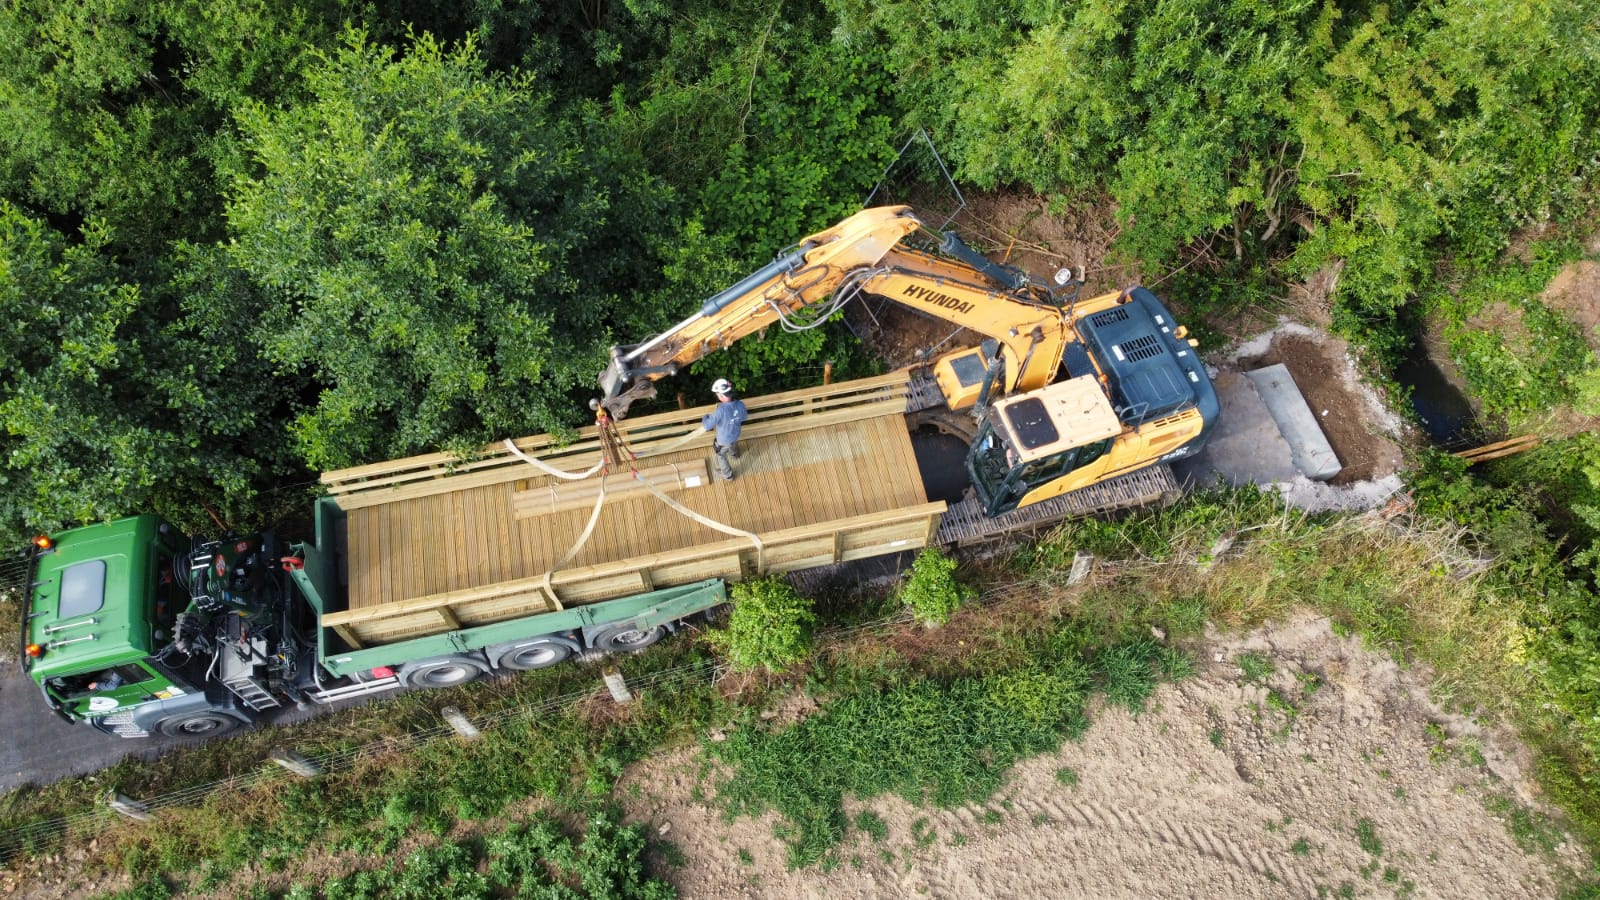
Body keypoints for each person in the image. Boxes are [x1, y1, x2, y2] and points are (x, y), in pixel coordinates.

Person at [701, 378, 748, 481]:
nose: (717, 396)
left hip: (723, 440)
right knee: (732, 444)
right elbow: (744, 417)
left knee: (720, 454)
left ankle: (728, 475)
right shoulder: (740, 404)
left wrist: (705, 417)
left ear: (722, 396)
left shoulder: (721, 410)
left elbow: (707, 426)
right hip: (735, 434)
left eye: (717, 395)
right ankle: (735, 455)